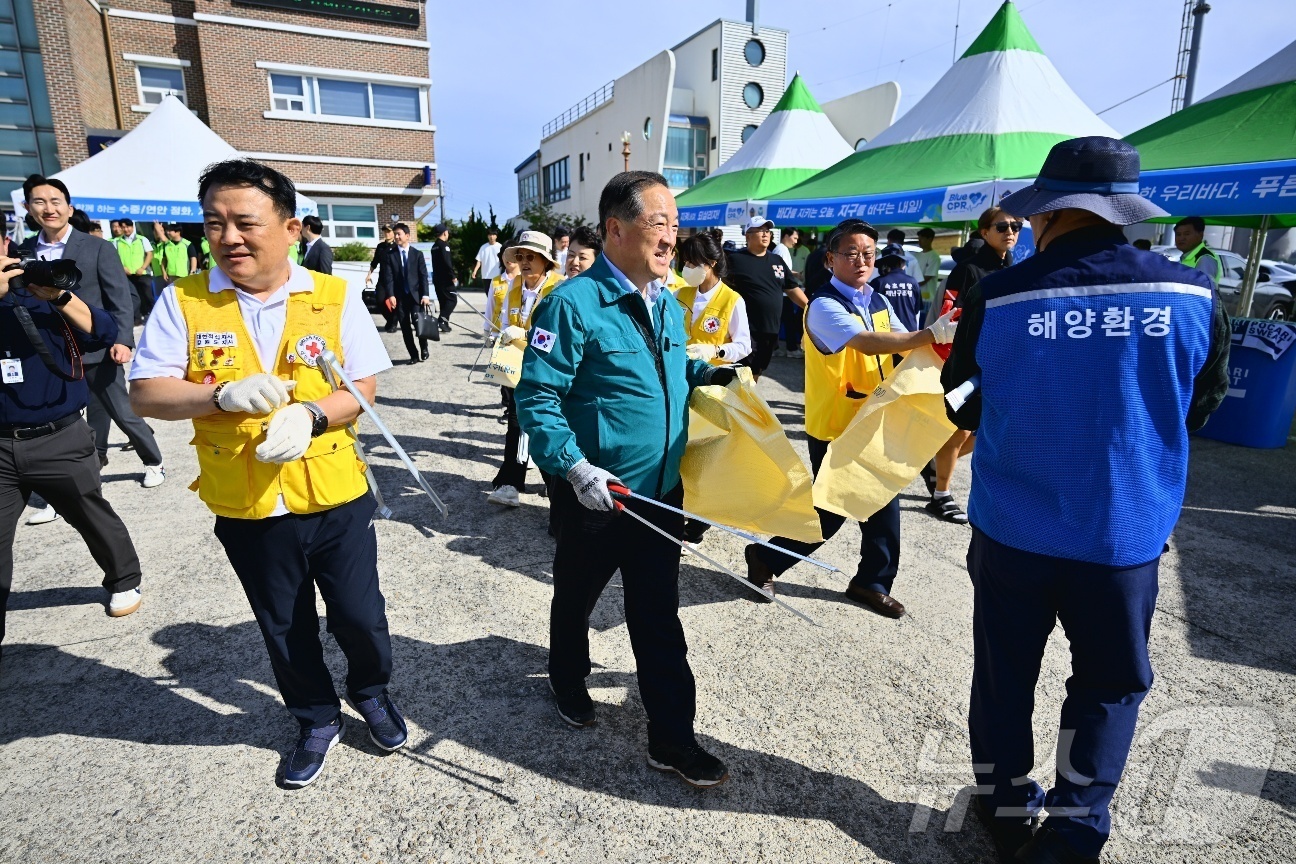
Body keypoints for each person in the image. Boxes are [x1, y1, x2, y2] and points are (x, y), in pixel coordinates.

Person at [941, 136, 1230, 864]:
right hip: (1123, 537)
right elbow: (1199, 407)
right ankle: (1074, 829)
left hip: (1013, 532)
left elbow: (961, 405)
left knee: (1005, 676)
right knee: (1107, 684)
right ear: (1122, 211)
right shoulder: (1194, 296)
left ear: (1049, 213)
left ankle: (1006, 810)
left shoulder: (999, 295)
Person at [128, 158, 404, 789]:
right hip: (248, 502)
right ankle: (313, 716)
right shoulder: (185, 301)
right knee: (283, 623)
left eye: (244, 222)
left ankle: (371, 690)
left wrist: (312, 414)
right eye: (214, 223)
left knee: (360, 614)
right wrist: (217, 397)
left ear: (289, 226)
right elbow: (145, 393)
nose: (229, 238)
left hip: (334, 492)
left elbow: (363, 385)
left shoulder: (333, 296)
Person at [516, 170, 738, 788]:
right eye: (659, 222)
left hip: (659, 497)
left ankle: (672, 739)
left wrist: (708, 379)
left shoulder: (667, 301)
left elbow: (667, 372)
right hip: (599, 496)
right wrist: (573, 466)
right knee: (577, 596)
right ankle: (567, 674)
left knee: (658, 617)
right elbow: (537, 398)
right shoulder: (570, 303)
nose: (673, 236)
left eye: (675, 222)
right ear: (616, 228)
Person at [743, 219, 958, 619]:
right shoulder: (822, 306)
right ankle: (764, 556)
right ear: (830, 259)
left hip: (874, 419)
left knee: (882, 500)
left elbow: (900, 343)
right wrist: (930, 335)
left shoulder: (876, 299)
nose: (861, 261)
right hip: (836, 425)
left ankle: (872, 582)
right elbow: (868, 342)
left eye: (869, 254)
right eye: (851, 253)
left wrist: (939, 347)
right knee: (832, 510)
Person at [1, 235, 146, 665]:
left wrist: (56, 294)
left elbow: (102, 328)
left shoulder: (32, 288)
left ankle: (123, 578)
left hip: (57, 435)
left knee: (88, 509)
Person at [21, 176, 167, 486]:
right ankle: (79, 471)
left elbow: (120, 298)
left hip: (96, 347)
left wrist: (122, 340)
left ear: (69, 208)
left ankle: (154, 461)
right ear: (28, 208)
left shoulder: (97, 247)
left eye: (55, 201)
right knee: (64, 419)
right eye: (39, 202)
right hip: (50, 353)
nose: (49, 209)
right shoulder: (25, 251)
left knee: (122, 410)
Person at [921, 207, 1019, 524]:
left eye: (1015, 226)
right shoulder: (968, 269)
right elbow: (951, 316)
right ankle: (941, 495)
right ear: (984, 232)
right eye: (1002, 226)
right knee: (961, 426)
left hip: (999, 359)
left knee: (989, 425)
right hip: (967, 359)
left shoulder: (1012, 268)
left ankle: (933, 462)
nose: (1010, 231)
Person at [675, 227, 751, 548]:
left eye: (693, 263)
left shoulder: (732, 300)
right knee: (679, 453)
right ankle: (675, 515)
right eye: (684, 262)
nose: (686, 269)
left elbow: (744, 345)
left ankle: (697, 523)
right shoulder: (679, 294)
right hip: (679, 382)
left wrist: (716, 351)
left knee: (707, 457)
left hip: (711, 388)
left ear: (711, 264)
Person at [486, 231, 563, 508]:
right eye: (521, 256)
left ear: (545, 260)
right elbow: (506, 319)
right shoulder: (514, 286)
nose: (525, 261)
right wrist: (503, 334)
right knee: (517, 422)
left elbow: (558, 336)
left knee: (550, 428)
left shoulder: (559, 288)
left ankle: (558, 488)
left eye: (531, 256)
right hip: (519, 368)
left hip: (552, 371)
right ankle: (511, 484)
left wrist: (525, 334)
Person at [726, 216, 807, 380]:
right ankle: (739, 402)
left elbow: (791, 288)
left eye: (767, 231)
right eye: (760, 230)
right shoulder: (735, 260)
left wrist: (810, 307)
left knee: (757, 370)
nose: (765, 234)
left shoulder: (776, 260)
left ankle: (747, 402)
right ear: (748, 236)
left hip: (771, 330)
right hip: (747, 329)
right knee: (744, 372)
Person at [377, 223, 431, 363]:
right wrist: (391, 295)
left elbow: (423, 276)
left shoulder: (417, 254)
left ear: (407, 236)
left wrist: (425, 295)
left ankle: (424, 347)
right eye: (395, 234)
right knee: (405, 326)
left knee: (418, 323)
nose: (396, 237)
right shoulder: (390, 255)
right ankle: (413, 355)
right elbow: (388, 277)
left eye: (399, 234)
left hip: (415, 297)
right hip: (400, 298)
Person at [871, 243, 924, 332]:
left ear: (884, 263)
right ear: (903, 263)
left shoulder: (878, 283)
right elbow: (917, 310)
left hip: (887, 335)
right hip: (910, 334)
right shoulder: (913, 282)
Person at [112, 217, 154, 323]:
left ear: (132, 227)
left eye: (128, 227)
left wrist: (143, 267)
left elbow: (149, 254)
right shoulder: (117, 242)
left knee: (147, 296)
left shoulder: (142, 239)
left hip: (143, 273)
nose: (126, 229)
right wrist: (123, 268)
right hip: (127, 275)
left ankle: (151, 316)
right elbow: (114, 257)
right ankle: (137, 318)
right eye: (123, 227)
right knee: (132, 298)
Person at [772, 227, 804, 359]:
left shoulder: (781, 249)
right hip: (784, 293)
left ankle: (776, 348)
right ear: (786, 236)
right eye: (794, 238)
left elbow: (783, 270)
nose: (796, 242)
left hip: (782, 292)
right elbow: (780, 272)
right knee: (788, 321)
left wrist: (794, 274)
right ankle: (791, 348)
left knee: (779, 322)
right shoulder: (782, 249)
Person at [1173, 215, 1222, 287]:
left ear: (1200, 235)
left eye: (1187, 234)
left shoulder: (1204, 258)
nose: (1181, 238)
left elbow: (1205, 289)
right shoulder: (1185, 257)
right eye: (1178, 234)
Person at [367, 225, 398, 332]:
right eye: (385, 232)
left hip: (395, 280)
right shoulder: (380, 246)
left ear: (393, 233)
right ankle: (391, 320)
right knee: (380, 301)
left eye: (389, 232)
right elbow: (374, 262)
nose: (387, 234)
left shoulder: (397, 246)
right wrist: (369, 274)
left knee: (394, 302)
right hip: (382, 279)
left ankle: (393, 322)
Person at [430, 223, 458, 333]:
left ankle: (445, 324)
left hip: (437, 278)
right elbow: (447, 263)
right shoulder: (444, 245)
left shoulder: (434, 246)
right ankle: (441, 320)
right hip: (446, 279)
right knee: (452, 300)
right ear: (445, 233)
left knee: (443, 301)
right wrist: (452, 275)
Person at [914, 227, 942, 301]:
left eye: (921, 239)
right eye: (918, 239)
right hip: (915, 296)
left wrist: (909, 284)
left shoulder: (934, 257)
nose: (919, 241)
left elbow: (926, 278)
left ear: (930, 239)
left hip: (927, 298)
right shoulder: (917, 255)